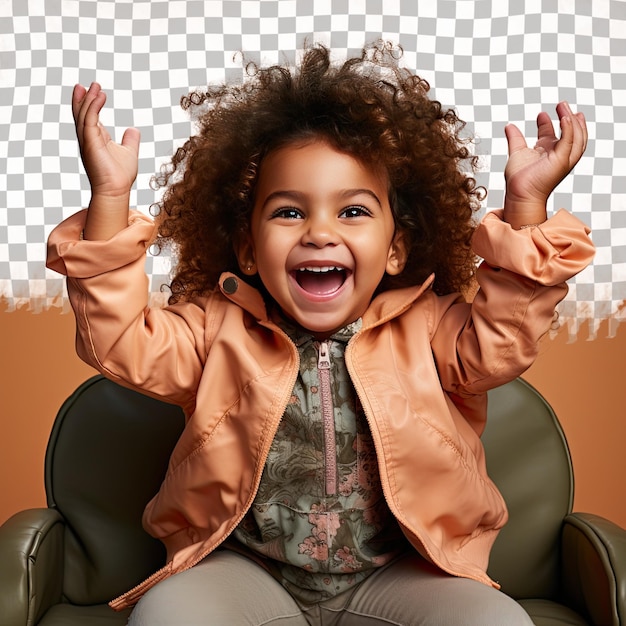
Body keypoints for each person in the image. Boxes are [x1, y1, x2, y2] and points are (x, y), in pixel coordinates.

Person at [47, 42, 594, 625]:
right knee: (167, 617)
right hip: (245, 573)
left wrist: (526, 205)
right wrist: (109, 200)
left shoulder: (434, 330)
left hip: (402, 573)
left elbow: (503, 344)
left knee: (498, 622)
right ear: (248, 250)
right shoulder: (214, 332)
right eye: (288, 212)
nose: (319, 233)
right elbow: (122, 341)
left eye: (353, 211)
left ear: (395, 248)